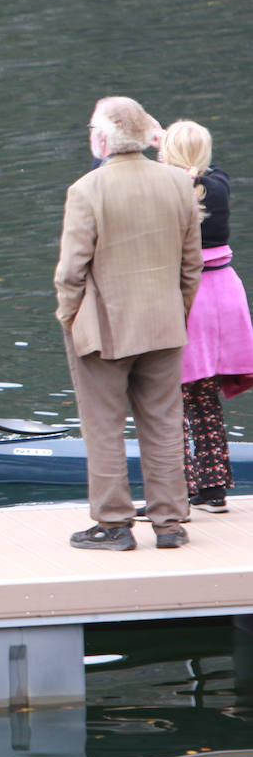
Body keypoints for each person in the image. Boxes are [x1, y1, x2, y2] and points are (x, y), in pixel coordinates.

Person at [54, 96, 202, 550]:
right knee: (162, 423)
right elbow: (190, 265)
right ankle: (170, 523)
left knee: (103, 425)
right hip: (164, 324)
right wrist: (178, 311)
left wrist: (69, 317)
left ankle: (114, 523)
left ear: (102, 139)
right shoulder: (179, 183)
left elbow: (70, 271)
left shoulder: (86, 190)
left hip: (104, 330)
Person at [162, 120, 253, 513]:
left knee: (171, 397)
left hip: (191, 295)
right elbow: (201, 169)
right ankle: (213, 489)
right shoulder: (219, 184)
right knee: (205, 394)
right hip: (226, 293)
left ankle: (177, 490)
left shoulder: (167, 190)